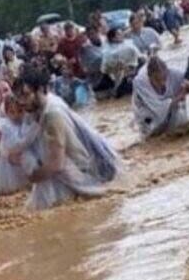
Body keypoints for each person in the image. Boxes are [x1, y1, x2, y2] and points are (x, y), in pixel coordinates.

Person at [15, 64, 118, 210]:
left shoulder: (52, 115)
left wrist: (32, 177)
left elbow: (56, 164)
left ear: (41, 90)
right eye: (18, 96)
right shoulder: (47, 103)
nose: (21, 101)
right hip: (78, 165)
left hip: (80, 171)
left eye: (25, 95)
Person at [132, 56, 189, 137]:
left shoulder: (174, 73)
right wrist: (180, 95)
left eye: (164, 78)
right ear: (149, 76)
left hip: (169, 111)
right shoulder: (140, 83)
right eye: (156, 79)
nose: (161, 83)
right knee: (151, 134)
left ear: (167, 72)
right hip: (147, 113)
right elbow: (159, 108)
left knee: (181, 116)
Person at [0, 94, 40, 197]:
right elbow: (11, 144)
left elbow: (28, 141)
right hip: (9, 159)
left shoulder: (27, 123)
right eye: (12, 112)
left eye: (20, 111)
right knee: (12, 187)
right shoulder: (5, 125)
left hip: (23, 156)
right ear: (6, 112)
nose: (16, 115)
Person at [102, 27, 140, 98]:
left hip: (128, 76)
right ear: (113, 38)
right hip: (120, 83)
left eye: (121, 33)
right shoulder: (109, 52)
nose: (122, 34)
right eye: (119, 34)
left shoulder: (126, 44)